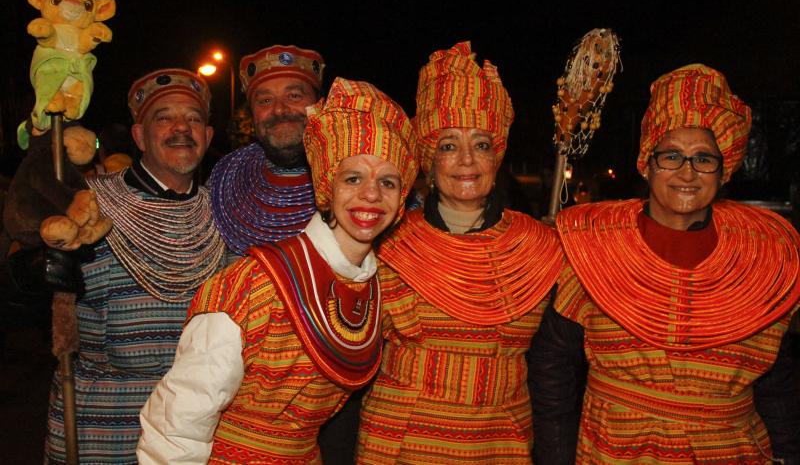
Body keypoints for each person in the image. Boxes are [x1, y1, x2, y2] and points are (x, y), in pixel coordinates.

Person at [137, 77, 419, 464]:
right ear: (326, 186)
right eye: (353, 178)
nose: (371, 194)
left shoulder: (377, 288)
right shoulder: (252, 287)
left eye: (387, 182)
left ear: (402, 199)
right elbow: (176, 425)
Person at [530, 64, 800, 464]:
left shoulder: (762, 259)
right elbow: (553, 365)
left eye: (704, 159)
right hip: (613, 452)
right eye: (671, 155)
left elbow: (778, 380)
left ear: (723, 171)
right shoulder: (594, 250)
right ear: (647, 163)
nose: (687, 172)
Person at [356, 41, 563, 464]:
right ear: (429, 160)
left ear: (497, 155)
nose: (466, 159)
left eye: (482, 144)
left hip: (502, 443)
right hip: (401, 443)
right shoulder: (386, 243)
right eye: (449, 145)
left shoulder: (540, 246)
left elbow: (552, 365)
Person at [42, 68, 226, 463]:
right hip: (101, 418)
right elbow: (26, 273)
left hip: (192, 423)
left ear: (208, 138)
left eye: (193, 119)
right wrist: (35, 269)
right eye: (164, 117)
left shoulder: (225, 214)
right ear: (140, 136)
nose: (181, 128)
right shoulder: (87, 204)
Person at [208, 44, 323, 260]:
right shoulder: (221, 191)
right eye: (266, 101)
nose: (280, 109)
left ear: (320, 105)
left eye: (295, 96)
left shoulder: (364, 182)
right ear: (252, 115)